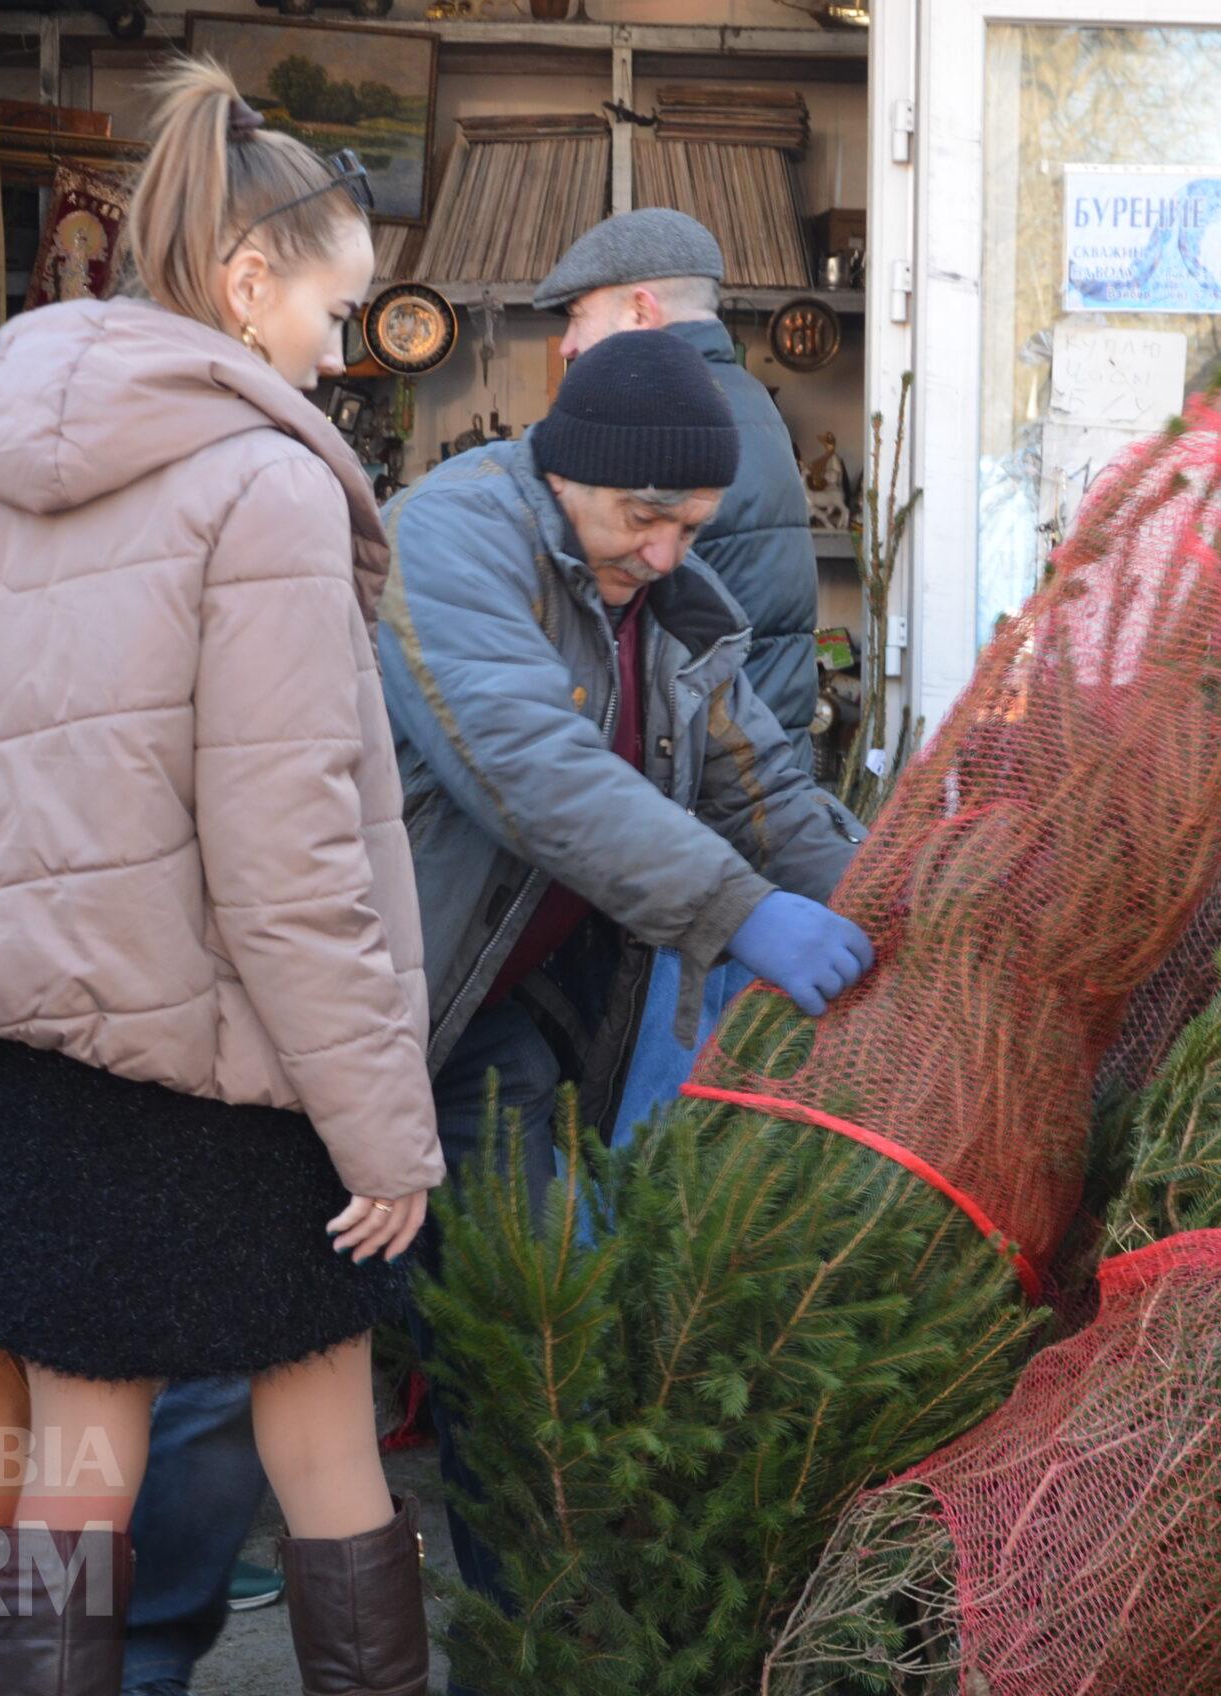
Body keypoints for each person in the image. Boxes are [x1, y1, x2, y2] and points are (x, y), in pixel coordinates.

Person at [0, 60, 436, 1696]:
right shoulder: (267, 486)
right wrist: (381, 1122)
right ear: (250, 285)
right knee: (324, 1448)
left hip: (43, 1069)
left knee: (72, 1474)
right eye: (337, 305)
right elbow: (290, 857)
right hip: (229, 1083)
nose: (344, 345)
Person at [375, 327, 871, 1673]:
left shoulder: (667, 599)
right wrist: (738, 915)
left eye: (692, 524)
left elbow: (758, 787)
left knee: (520, 1340)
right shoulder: (448, 544)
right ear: (563, 472)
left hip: (501, 1030)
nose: (667, 551)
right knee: (260, 1367)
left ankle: (524, 1647)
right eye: (645, 519)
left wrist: (888, 909)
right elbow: (531, 770)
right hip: (354, 1029)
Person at [534, 208, 824, 763]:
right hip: (762, 759)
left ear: (641, 311)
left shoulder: (667, 424)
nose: (568, 344)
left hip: (715, 776)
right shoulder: (745, 399)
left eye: (577, 316)